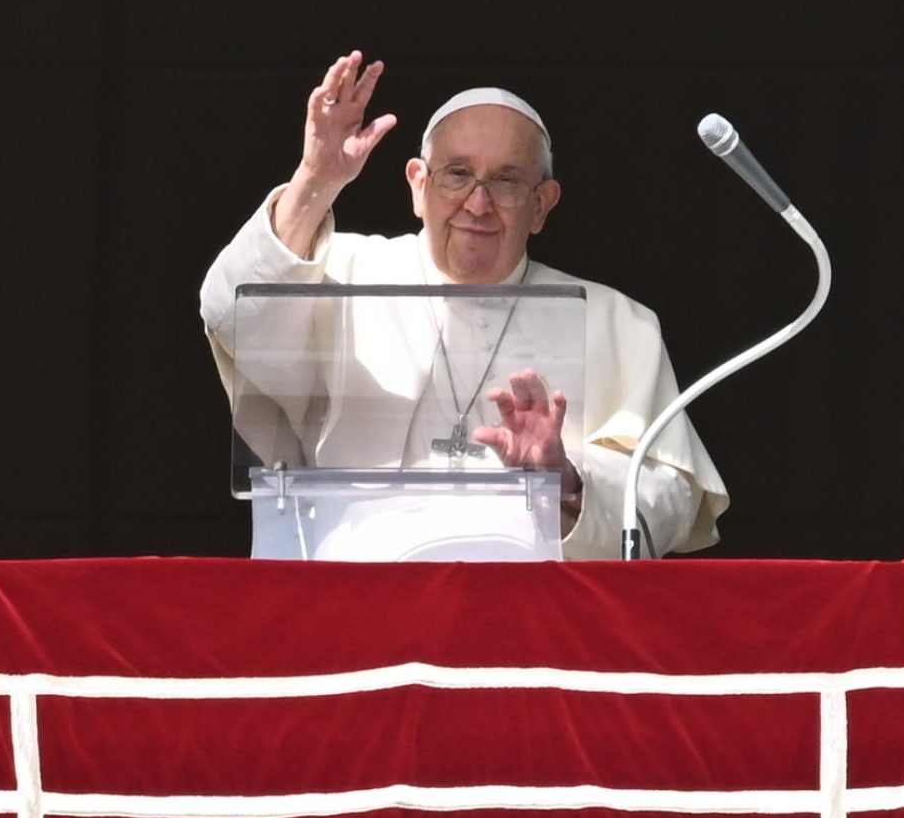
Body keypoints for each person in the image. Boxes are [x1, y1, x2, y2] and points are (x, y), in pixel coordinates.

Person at [200, 52, 726, 559]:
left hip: (531, 609)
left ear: (542, 205)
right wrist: (315, 180)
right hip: (361, 596)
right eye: (457, 173)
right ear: (418, 185)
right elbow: (232, 315)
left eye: (505, 180)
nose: (478, 204)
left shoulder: (616, 322)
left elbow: (670, 501)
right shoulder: (338, 272)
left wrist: (567, 482)